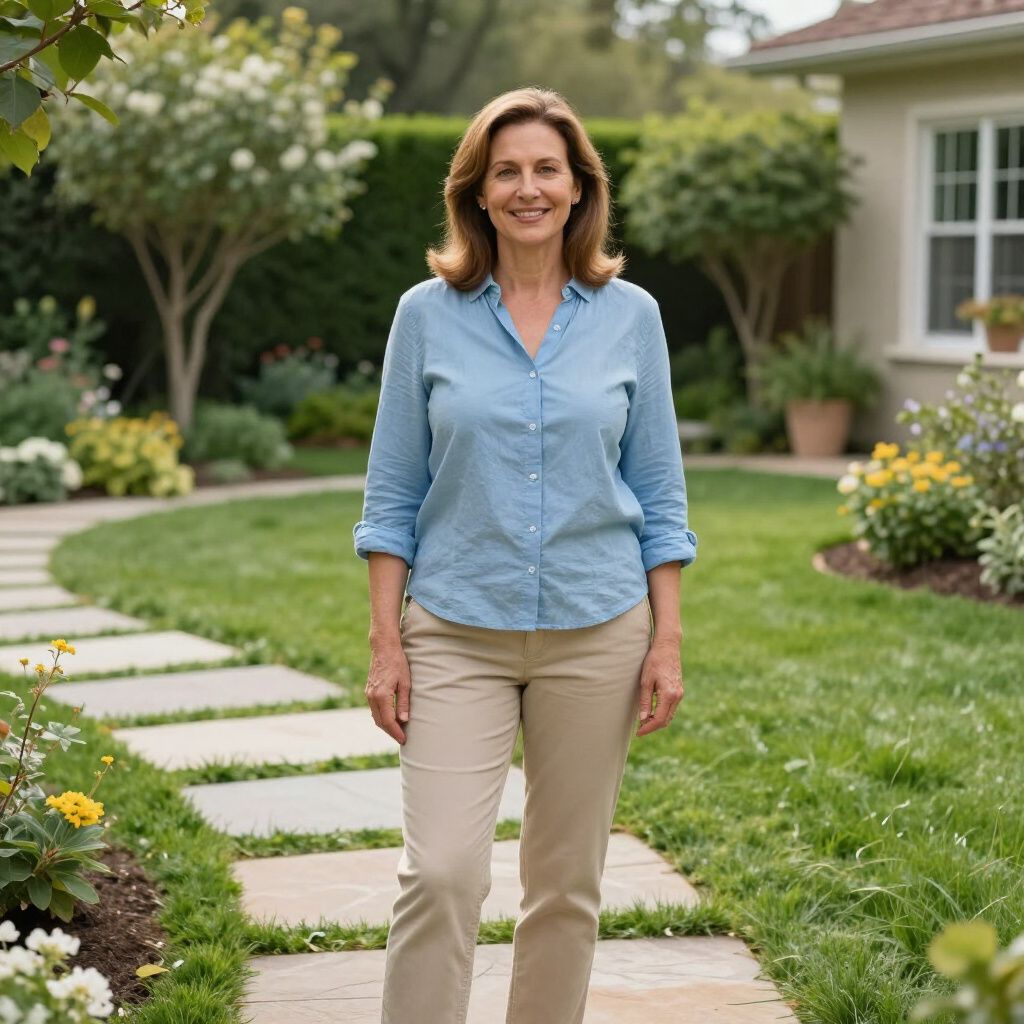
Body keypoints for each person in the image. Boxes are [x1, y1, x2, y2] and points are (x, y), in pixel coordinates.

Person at [353, 86, 698, 1024]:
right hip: (456, 631)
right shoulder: (426, 314)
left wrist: (665, 641)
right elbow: (391, 498)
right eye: (506, 170)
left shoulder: (633, 317)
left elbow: (661, 498)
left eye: (547, 168)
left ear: (581, 189)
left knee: (564, 889)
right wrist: (387, 644)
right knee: (441, 874)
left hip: (599, 632)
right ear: (477, 190)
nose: (528, 187)